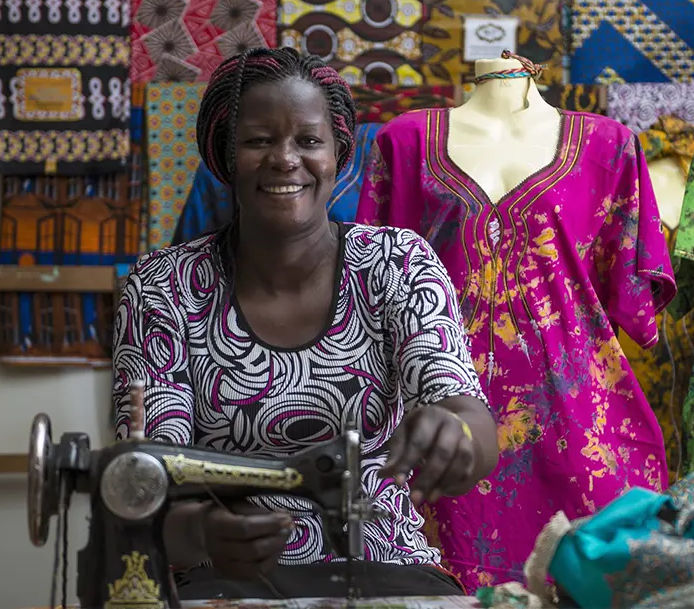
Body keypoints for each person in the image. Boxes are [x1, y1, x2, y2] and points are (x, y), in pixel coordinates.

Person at [111, 47, 498, 599]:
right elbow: (147, 486)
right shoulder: (162, 289)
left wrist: (455, 432)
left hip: (385, 569)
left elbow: (471, 420)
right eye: (259, 140)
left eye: (308, 141)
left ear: (338, 153)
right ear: (224, 154)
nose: (285, 159)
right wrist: (202, 532)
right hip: (221, 579)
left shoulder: (397, 264)